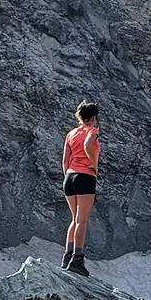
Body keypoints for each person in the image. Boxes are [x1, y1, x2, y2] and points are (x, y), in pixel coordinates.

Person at [61, 101, 101, 275]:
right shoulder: (92, 131)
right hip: (85, 176)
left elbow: (65, 160)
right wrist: (94, 165)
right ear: (93, 118)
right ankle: (78, 260)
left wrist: (68, 175)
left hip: (69, 177)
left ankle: (67, 256)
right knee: (82, 220)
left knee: (75, 219)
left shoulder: (71, 134)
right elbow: (88, 144)